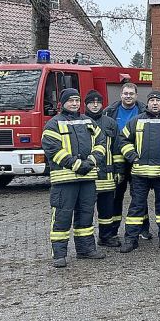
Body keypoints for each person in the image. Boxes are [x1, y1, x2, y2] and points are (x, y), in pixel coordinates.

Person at [42, 88, 106, 267]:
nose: (75, 104)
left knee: (85, 216)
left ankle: (86, 250)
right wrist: (77, 164)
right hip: (64, 180)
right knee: (62, 217)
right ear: (62, 103)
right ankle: (59, 255)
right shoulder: (53, 124)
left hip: (87, 179)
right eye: (71, 101)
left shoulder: (88, 121)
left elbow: (101, 142)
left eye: (77, 100)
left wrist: (92, 160)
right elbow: (52, 149)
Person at [118, 91, 160, 252]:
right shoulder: (136, 121)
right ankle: (131, 239)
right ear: (147, 104)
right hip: (140, 174)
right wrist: (132, 156)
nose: (155, 103)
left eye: (158, 101)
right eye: (152, 101)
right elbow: (123, 139)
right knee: (136, 207)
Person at [103, 83, 150, 240]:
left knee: (139, 195)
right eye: (125, 93)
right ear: (121, 95)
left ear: (136, 95)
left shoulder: (145, 111)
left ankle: (143, 229)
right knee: (116, 196)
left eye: (131, 93)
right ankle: (113, 230)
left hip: (137, 159)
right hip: (117, 160)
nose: (128, 96)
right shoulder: (109, 112)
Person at [83, 90, 122, 248]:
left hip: (107, 175)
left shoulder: (110, 123)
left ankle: (106, 236)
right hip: (86, 174)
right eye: (91, 102)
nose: (95, 105)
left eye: (98, 102)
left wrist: (119, 170)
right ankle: (86, 242)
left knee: (107, 210)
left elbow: (117, 149)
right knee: (85, 211)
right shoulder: (80, 122)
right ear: (86, 104)